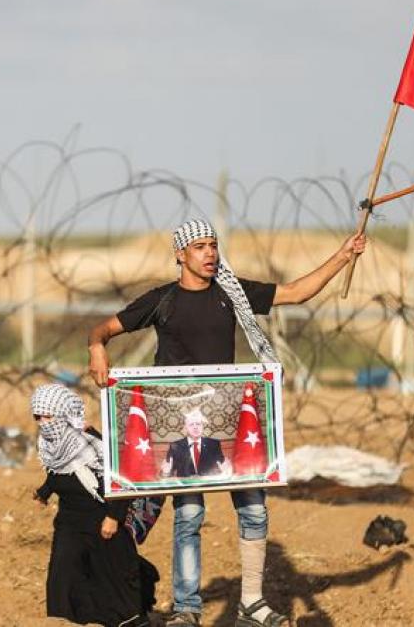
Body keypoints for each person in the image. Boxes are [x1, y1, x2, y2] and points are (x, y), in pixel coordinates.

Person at [88, 218, 367, 627]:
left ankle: (251, 605)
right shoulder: (161, 300)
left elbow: (295, 293)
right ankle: (187, 609)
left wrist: (343, 256)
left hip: (231, 421)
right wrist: (97, 347)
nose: (209, 253)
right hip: (180, 427)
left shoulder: (231, 293)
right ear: (180, 254)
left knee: (253, 509)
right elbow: (104, 329)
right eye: (200, 246)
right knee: (189, 516)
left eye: (213, 245)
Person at [31, 383, 157, 627]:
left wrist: (113, 516)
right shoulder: (50, 444)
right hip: (69, 523)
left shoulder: (94, 445)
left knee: (112, 579)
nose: (42, 422)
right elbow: (59, 473)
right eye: (37, 416)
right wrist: (44, 492)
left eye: (48, 415)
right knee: (63, 577)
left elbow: (119, 481)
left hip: (102, 524)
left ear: (64, 413)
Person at [162, 408, 229, 479]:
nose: (195, 427)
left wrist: (226, 470)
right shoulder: (175, 446)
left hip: (208, 486)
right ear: (185, 428)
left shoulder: (214, 444)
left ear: (203, 426)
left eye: (198, 424)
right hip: (185, 487)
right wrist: (166, 472)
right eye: (191, 424)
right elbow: (167, 475)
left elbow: (224, 469)